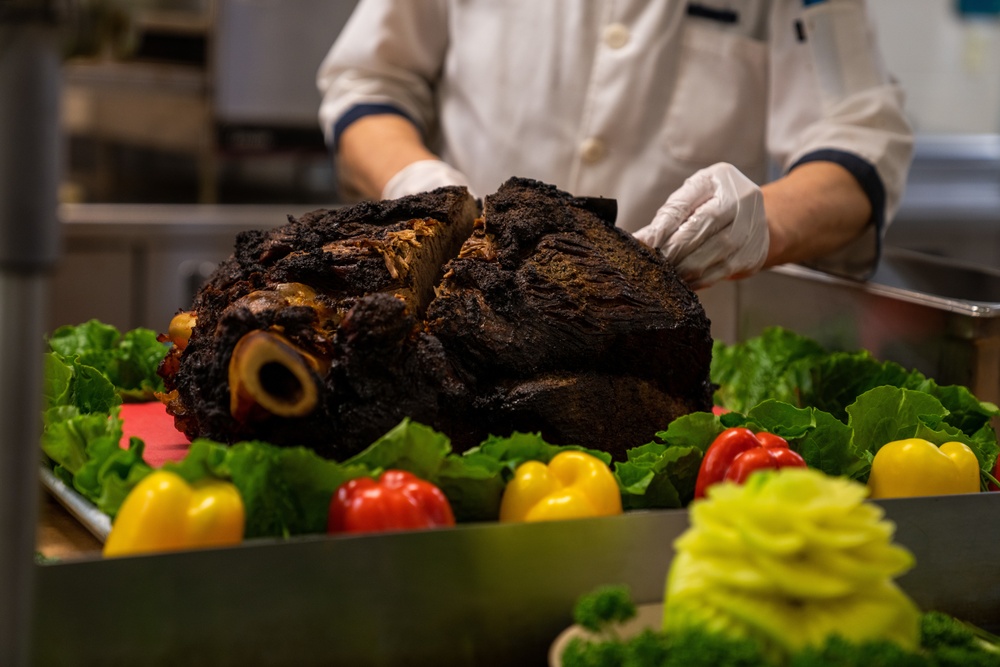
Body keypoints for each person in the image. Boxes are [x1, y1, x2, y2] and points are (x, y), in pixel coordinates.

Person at [316, 0, 913, 289]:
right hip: (462, 317)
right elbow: (369, 83)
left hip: (670, 364)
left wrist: (765, 223)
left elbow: (860, 135)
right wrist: (420, 186)